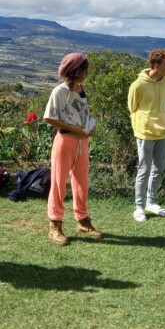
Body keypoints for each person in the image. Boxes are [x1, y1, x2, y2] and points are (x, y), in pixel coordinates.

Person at [43, 52, 102, 245]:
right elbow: (49, 117)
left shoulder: (80, 89)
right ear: (74, 70)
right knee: (59, 184)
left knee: (81, 182)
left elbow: (81, 112)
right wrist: (73, 128)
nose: (86, 73)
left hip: (81, 143)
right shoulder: (59, 91)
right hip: (65, 142)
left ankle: (83, 220)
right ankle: (55, 225)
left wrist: (90, 127)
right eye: (83, 69)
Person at [128, 49, 165, 222]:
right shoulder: (138, 85)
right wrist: (142, 126)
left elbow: (164, 103)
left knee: (159, 169)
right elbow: (132, 109)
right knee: (144, 170)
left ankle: (151, 202)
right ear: (157, 65)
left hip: (163, 132)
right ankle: (139, 207)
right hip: (145, 133)